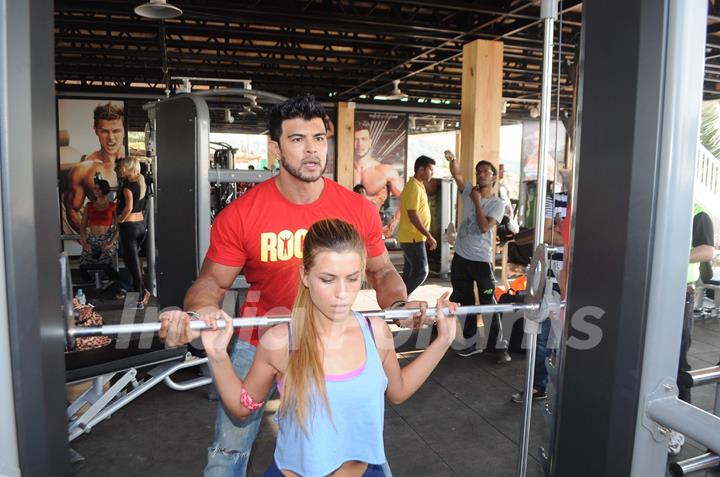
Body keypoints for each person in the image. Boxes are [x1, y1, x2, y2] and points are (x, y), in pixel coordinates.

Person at [159, 94, 425, 477]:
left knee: (341, 446)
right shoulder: (243, 214)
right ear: (275, 146)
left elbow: (382, 272)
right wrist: (200, 316)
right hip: (264, 339)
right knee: (228, 451)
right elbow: (211, 282)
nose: (312, 149)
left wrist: (398, 305)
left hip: (331, 339)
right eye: (298, 139)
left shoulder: (357, 210)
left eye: (319, 138)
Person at [199, 218, 458, 477]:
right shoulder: (281, 341)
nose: (342, 293)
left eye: (353, 279)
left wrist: (442, 340)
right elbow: (244, 406)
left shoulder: (376, 332)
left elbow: (398, 391)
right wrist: (218, 355)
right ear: (306, 276)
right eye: (328, 279)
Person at [445, 151, 507, 362]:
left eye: (485, 172)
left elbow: (483, 227)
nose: (481, 174)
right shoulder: (470, 191)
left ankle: (497, 347)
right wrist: (453, 160)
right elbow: (458, 175)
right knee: (464, 300)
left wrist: (477, 202)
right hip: (461, 258)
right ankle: (471, 342)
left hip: (481, 262)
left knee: (489, 301)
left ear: (493, 177)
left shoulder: (497, 204)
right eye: (478, 171)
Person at [511, 189, 568, 403]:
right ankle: (537, 386)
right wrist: (562, 234)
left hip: (582, 279)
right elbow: (543, 235)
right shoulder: (553, 198)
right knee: (543, 338)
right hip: (553, 280)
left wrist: (560, 232)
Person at [668, 203, 715, 455]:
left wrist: (669, 253)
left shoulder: (697, 212)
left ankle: (679, 427)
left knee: (677, 360)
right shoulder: (660, 203)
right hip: (652, 286)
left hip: (679, 291)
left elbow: (707, 251)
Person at [63, 102, 125, 233]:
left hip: (129, 236)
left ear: (124, 130)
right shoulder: (84, 170)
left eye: (116, 131)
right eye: (105, 131)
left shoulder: (134, 163)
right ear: (96, 130)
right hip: (100, 234)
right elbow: (72, 209)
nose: (111, 138)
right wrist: (90, 238)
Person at [353, 120, 404, 237]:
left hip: (373, 230)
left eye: (364, 139)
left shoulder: (385, 171)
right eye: (355, 139)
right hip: (349, 232)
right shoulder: (343, 171)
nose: (359, 144)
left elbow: (407, 199)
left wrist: (392, 224)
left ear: (370, 142)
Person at [397, 155, 437, 295]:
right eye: (430, 170)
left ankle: (399, 303)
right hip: (413, 238)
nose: (432, 173)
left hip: (412, 238)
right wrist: (429, 236)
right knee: (421, 272)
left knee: (410, 273)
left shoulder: (418, 186)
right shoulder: (413, 186)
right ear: (421, 169)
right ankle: (400, 301)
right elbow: (413, 215)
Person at [117, 156, 150, 309]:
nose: (120, 170)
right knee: (133, 261)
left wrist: (119, 220)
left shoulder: (127, 186)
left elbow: (128, 208)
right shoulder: (141, 182)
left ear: (129, 168)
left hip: (129, 226)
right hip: (140, 225)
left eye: (122, 167)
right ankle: (141, 292)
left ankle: (141, 295)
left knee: (133, 263)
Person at [78, 179, 120, 284]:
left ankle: (116, 282)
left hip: (107, 238)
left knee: (105, 264)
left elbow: (119, 227)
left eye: (98, 188)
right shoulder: (89, 206)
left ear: (104, 190)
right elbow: (82, 227)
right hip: (92, 238)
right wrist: (84, 243)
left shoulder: (112, 206)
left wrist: (111, 242)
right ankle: (89, 286)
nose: (95, 190)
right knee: (83, 267)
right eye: (94, 188)